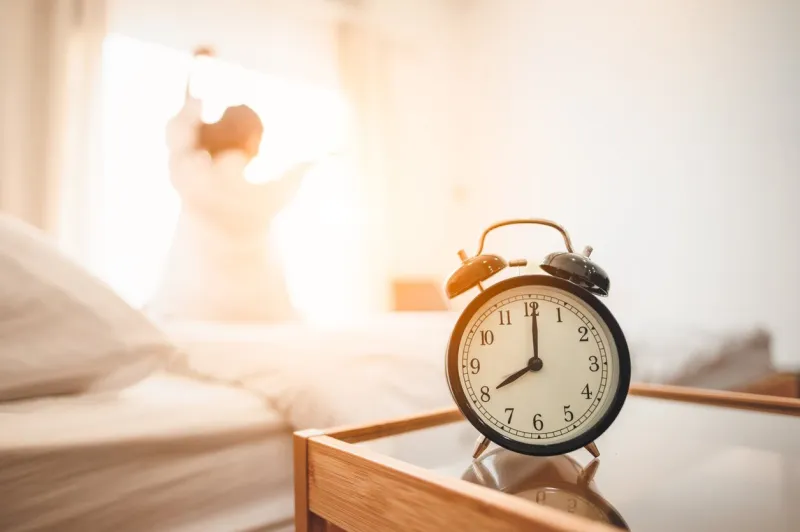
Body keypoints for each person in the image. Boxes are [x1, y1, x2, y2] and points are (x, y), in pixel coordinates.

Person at [148, 90, 314, 322]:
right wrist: (306, 166)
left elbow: (178, 138)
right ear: (253, 140)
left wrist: (193, 99)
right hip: (262, 321)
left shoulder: (193, 182)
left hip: (192, 316)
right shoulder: (265, 197)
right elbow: (289, 182)